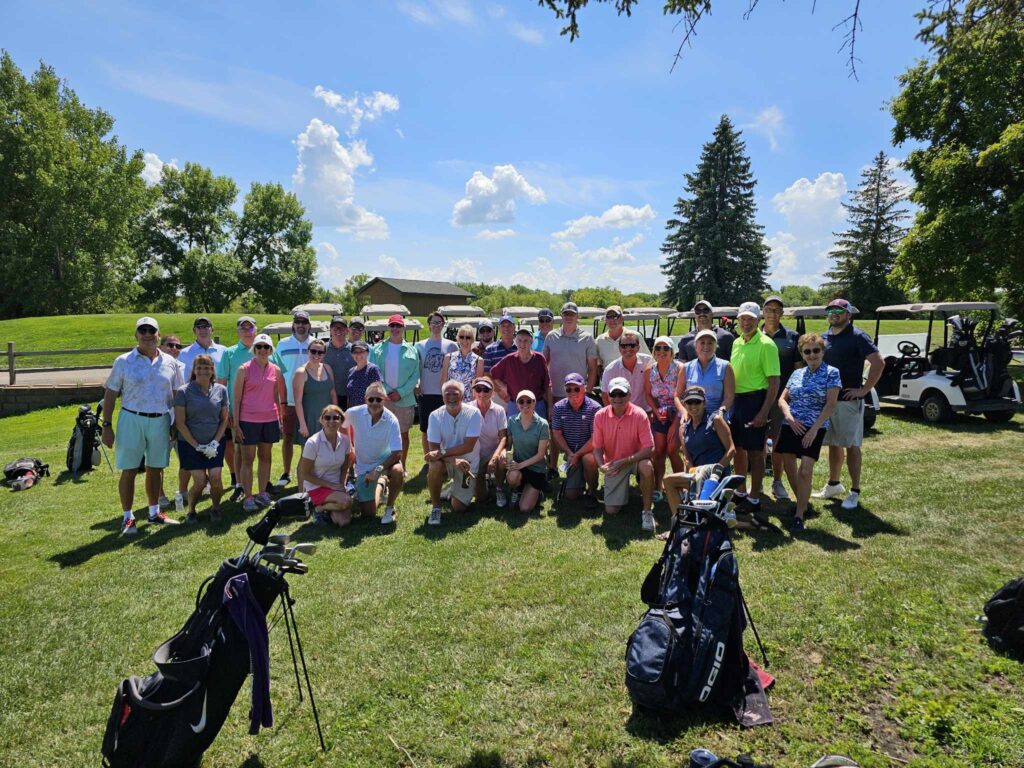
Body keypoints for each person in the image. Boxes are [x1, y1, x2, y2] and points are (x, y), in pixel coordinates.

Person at [101, 317, 183, 534]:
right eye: (142, 330)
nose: (147, 334)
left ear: (158, 334)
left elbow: (176, 394)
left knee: (156, 468)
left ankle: (154, 512)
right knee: (128, 470)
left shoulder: (170, 362)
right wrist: (106, 426)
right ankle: (128, 518)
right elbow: (110, 394)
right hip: (131, 418)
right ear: (136, 335)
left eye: (151, 330)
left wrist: (176, 422)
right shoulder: (123, 361)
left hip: (161, 419)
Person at [814, 298, 885, 510]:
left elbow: (878, 362)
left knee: (852, 445)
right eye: (830, 310)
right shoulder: (824, 337)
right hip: (828, 401)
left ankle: (855, 491)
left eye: (838, 310)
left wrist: (864, 390)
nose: (833, 313)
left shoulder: (857, 336)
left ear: (848, 315)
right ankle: (834, 484)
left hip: (848, 401)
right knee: (834, 443)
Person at [778, 333, 841, 532]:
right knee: (789, 466)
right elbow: (782, 400)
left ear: (822, 352)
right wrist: (789, 418)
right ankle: (803, 505)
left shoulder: (832, 373)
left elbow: (830, 405)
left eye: (816, 350)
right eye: (807, 351)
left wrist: (813, 430)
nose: (812, 355)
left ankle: (798, 516)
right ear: (802, 354)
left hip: (815, 427)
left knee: (805, 470)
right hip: (792, 424)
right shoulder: (797, 374)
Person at [728, 301, 780, 523]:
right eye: (743, 319)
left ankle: (755, 496)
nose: (746, 323)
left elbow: (774, 382)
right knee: (738, 449)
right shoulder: (737, 342)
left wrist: (764, 411)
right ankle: (741, 491)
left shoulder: (767, 344)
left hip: (755, 400)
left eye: (750, 319)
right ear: (738, 320)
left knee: (756, 452)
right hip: (736, 402)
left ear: (758, 320)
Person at [592, 376, 656, 531]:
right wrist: (601, 466)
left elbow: (649, 448)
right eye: (614, 394)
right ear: (608, 396)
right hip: (615, 463)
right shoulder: (600, 415)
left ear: (629, 395)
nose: (617, 398)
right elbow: (597, 448)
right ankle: (625, 492)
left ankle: (647, 511)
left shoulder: (640, 414)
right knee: (611, 511)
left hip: (635, 459)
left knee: (647, 467)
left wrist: (626, 461)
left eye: (622, 394)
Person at [544, 301, 599, 476]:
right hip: (557, 393)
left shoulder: (587, 338)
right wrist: (548, 394)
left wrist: (587, 392)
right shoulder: (551, 337)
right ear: (561, 316)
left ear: (577, 317)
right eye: (565, 314)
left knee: (580, 430)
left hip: (578, 393)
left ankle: (578, 462)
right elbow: (544, 365)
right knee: (555, 432)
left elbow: (592, 368)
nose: (568, 317)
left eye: (572, 314)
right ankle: (553, 466)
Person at [173, 354, 229, 524]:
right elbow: (180, 423)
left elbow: (224, 419)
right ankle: (191, 510)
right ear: (194, 370)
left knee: (216, 477)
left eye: (207, 367)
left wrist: (215, 442)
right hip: (190, 444)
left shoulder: (221, 390)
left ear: (212, 370)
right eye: (199, 367)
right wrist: (197, 446)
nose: (203, 371)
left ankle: (216, 508)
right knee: (200, 481)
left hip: (215, 442)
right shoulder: (184, 391)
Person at [663, 386, 736, 516]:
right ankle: (678, 524)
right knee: (668, 480)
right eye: (689, 402)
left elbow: (731, 450)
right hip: (697, 475)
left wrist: (717, 470)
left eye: (697, 401)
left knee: (707, 517)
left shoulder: (716, 420)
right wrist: (693, 476)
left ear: (704, 403)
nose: (693, 405)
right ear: (684, 405)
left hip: (717, 476)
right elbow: (687, 459)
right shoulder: (683, 429)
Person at [233, 333, 285, 514]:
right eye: (259, 347)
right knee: (248, 459)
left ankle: (262, 493)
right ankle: (248, 496)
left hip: (270, 419)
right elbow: (237, 399)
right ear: (254, 349)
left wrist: (279, 420)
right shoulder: (243, 369)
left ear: (271, 350)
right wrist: (237, 424)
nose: (263, 350)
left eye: (266, 347)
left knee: (266, 457)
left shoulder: (276, 370)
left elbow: (276, 397)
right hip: (248, 420)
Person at [761, 295, 802, 500]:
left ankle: (777, 482)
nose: (772, 313)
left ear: (782, 313)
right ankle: (758, 484)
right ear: (762, 312)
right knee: (757, 442)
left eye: (777, 310)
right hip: (757, 398)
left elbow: (798, 371)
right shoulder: (751, 334)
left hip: (782, 399)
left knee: (777, 442)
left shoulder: (792, 337)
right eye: (769, 309)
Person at [346, 382, 405, 524]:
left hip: (386, 462)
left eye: (378, 399)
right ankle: (382, 484)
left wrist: (378, 469)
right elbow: (343, 426)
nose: (374, 403)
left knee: (398, 470)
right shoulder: (353, 413)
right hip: (364, 466)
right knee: (368, 513)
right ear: (365, 399)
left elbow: (397, 453)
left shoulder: (392, 420)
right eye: (371, 399)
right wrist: (349, 446)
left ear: (384, 399)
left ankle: (390, 507)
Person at [425, 380, 482, 525]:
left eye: (455, 394)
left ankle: (450, 490)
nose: (451, 397)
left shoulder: (474, 414)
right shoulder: (434, 416)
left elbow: (468, 446)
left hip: (468, 465)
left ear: (462, 396)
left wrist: (443, 453)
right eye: (447, 394)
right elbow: (433, 450)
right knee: (434, 466)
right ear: (442, 397)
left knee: (459, 507)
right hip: (447, 462)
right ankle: (436, 508)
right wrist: (452, 460)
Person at [369, 314, 420, 469]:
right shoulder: (377, 349)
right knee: (382, 434)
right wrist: (387, 391)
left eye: (398, 326)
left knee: (403, 435)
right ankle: (382, 466)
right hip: (382, 400)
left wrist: (401, 392)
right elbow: (374, 372)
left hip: (404, 400)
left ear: (403, 328)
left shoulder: (412, 350)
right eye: (392, 326)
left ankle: (401, 466)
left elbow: (415, 375)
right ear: (388, 328)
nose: (395, 329)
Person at [270, 310, 312, 493]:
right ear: (293, 325)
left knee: (307, 439)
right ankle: (287, 472)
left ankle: (305, 471)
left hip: (309, 400)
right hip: (287, 399)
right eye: (298, 322)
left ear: (309, 325)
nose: (301, 325)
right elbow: (276, 371)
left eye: (304, 322)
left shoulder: (315, 345)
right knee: (287, 437)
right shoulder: (283, 344)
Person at [216, 316, 257, 502]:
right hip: (237, 410)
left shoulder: (264, 350)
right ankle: (240, 485)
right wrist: (227, 411)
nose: (247, 331)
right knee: (240, 449)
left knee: (262, 450)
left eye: (250, 328)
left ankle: (260, 486)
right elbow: (222, 383)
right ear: (238, 331)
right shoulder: (230, 353)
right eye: (243, 328)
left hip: (261, 409)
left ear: (256, 330)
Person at [292, 337, 338, 492]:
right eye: (313, 351)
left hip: (327, 420)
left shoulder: (328, 369)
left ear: (324, 354)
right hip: (310, 420)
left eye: (320, 352)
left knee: (321, 457)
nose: (316, 355)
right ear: (308, 351)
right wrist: (303, 425)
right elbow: (297, 402)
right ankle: (301, 495)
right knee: (306, 459)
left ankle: (317, 490)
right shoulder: (301, 373)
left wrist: (336, 416)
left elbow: (332, 393)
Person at [299, 404, 356, 527]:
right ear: (322, 420)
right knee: (346, 501)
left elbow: (345, 467)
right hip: (316, 487)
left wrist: (341, 484)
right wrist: (330, 485)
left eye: (336, 418)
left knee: (344, 522)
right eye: (327, 417)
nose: (331, 421)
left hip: (336, 485)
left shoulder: (345, 440)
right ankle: (316, 508)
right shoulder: (313, 443)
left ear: (341, 420)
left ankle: (324, 509)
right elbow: (304, 474)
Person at [643, 335, 684, 501]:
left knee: (673, 449)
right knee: (658, 450)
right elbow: (648, 394)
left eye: (665, 348)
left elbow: (682, 397)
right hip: (660, 415)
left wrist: (675, 424)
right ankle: (658, 486)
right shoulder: (649, 370)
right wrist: (655, 410)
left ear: (672, 351)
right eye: (658, 348)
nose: (661, 351)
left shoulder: (680, 368)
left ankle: (680, 486)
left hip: (678, 413)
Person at [550, 372, 601, 501]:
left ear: (584, 388)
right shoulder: (558, 407)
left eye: (576, 388)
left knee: (588, 460)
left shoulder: (595, 408)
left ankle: (592, 492)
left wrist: (577, 454)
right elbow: (557, 433)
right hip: (571, 453)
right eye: (569, 389)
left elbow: (595, 438)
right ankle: (580, 481)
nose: (572, 392)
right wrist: (570, 453)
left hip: (589, 451)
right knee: (571, 496)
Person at [416, 311, 458, 456]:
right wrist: (417, 383)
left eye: (439, 323)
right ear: (429, 325)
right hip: (425, 392)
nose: (436, 326)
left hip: (445, 394)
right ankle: (429, 458)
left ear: (443, 325)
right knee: (425, 429)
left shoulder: (452, 346)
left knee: (445, 427)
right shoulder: (419, 346)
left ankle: (443, 457)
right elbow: (416, 368)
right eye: (433, 322)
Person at [505, 389, 551, 514]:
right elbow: (508, 445)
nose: (525, 404)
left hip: (536, 469)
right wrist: (507, 459)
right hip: (518, 466)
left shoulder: (543, 424)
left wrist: (519, 465)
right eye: (521, 401)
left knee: (524, 509)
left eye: (529, 401)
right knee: (513, 476)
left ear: (534, 403)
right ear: (517, 404)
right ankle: (516, 491)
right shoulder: (511, 421)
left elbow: (541, 455)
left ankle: (537, 493)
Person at [491, 326, 553, 418]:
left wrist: (550, 407)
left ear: (531, 342)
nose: (522, 344)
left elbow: (547, 385)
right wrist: (504, 388)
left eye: (525, 341)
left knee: (540, 432)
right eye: (519, 340)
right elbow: (493, 374)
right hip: (515, 405)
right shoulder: (509, 359)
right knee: (513, 432)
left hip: (536, 405)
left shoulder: (539, 359)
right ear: (515, 341)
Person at [157, 334, 187, 510]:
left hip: (181, 420)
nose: (175, 349)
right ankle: (160, 495)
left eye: (178, 346)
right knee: (158, 461)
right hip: (162, 420)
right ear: (161, 346)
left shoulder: (183, 366)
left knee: (186, 460)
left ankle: (183, 492)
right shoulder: (156, 366)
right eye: (171, 345)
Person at [469, 376, 509, 507]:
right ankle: (485, 482)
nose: (481, 393)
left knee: (502, 459)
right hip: (474, 456)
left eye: (486, 390)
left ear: (492, 392)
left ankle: (499, 488)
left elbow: (503, 437)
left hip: (492, 451)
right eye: (478, 389)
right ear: (474, 392)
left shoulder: (499, 410)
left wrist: (495, 456)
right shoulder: (467, 409)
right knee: (480, 498)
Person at [680, 329, 735, 417]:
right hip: (691, 415)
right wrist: (684, 412)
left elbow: (729, 397)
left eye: (710, 343)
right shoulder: (686, 367)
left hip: (716, 416)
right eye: (702, 343)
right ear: (695, 346)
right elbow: (678, 396)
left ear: (716, 346)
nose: (706, 346)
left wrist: (720, 412)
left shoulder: (726, 366)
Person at [601, 329, 651, 410]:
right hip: (622, 414)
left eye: (632, 345)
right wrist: (613, 415)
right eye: (624, 346)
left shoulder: (649, 362)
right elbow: (605, 395)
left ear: (638, 347)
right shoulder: (610, 369)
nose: (628, 349)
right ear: (619, 348)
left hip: (646, 412)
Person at [596, 306, 650, 370]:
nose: (612, 320)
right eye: (609, 317)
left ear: (622, 318)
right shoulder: (599, 340)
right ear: (605, 320)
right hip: (609, 378)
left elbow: (649, 361)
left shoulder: (635, 336)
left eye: (615, 316)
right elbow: (598, 365)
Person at [441, 324, 484, 402]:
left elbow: (477, 386)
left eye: (468, 337)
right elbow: (443, 381)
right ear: (457, 338)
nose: (464, 340)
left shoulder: (479, 361)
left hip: (469, 403)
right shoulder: (448, 357)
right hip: (451, 401)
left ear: (473, 340)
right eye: (461, 337)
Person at [179, 316, 226, 381]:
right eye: (199, 327)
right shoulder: (183, 353)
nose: (203, 330)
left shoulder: (223, 350)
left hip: (218, 390)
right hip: (192, 390)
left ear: (212, 330)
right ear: (194, 330)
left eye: (206, 327)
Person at [323, 315, 354, 411]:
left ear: (347, 330)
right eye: (335, 328)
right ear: (330, 330)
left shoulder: (354, 349)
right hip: (327, 397)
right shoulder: (322, 349)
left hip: (349, 398)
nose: (338, 330)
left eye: (341, 328)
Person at [346, 339, 382, 407]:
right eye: (355, 352)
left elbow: (378, 395)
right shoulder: (351, 371)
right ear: (352, 354)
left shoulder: (373, 369)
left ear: (367, 353)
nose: (358, 354)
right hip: (353, 411)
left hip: (368, 412)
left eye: (361, 352)